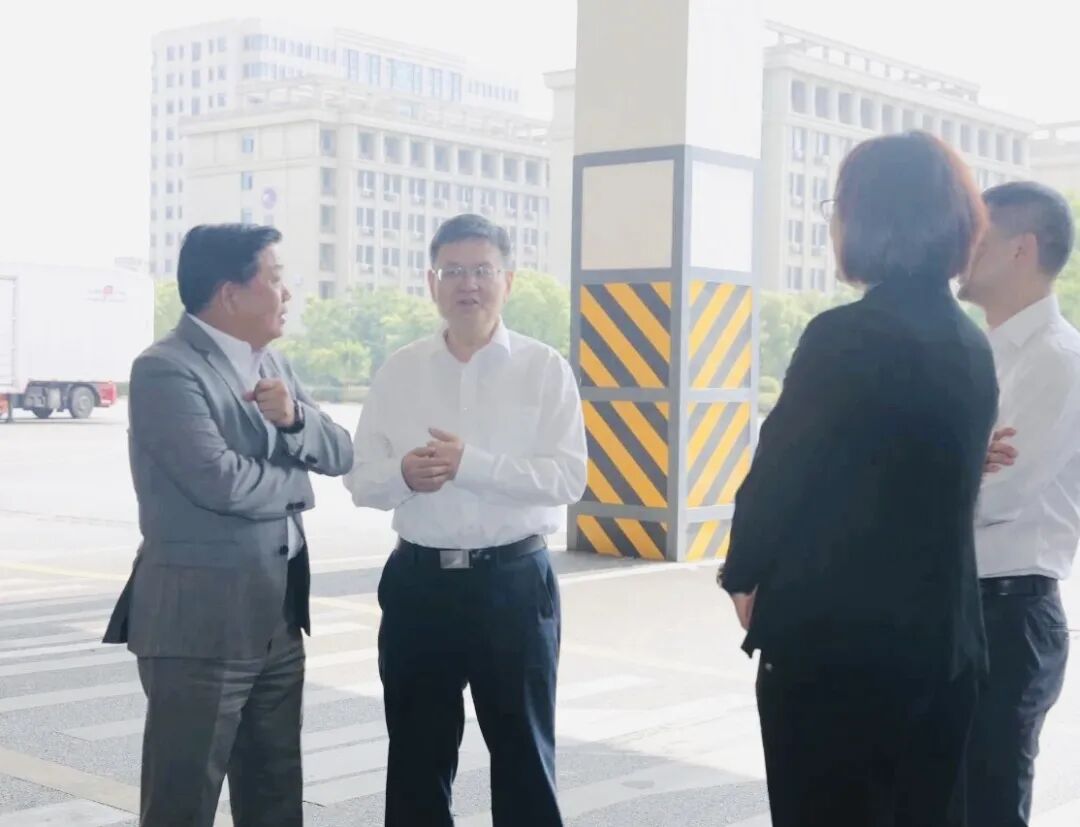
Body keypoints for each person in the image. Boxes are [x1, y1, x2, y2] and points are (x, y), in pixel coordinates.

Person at [719, 132, 998, 826]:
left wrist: (743, 573)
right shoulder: (971, 343)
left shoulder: (844, 335)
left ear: (868, 217)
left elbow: (780, 470)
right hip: (944, 645)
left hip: (839, 652)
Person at [103, 224, 354, 827]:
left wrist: (294, 421)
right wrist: (297, 485)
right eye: (275, 279)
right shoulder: (166, 369)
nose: (287, 294)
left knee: (274, 795)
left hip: (277, 618)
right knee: (183, 802)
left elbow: (342, 452)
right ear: (230, 293)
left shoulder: (275, 364)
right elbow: (218, 481)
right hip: (199, 625)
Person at [344, 213, 587, 827]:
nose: (468, 284)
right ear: (432, 282)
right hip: (419, 586)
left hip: (513, 584)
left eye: (482, 270)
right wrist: (404, 473)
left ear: (509, 280)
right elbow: (361, 481)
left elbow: (568, 478)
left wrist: (470, 465)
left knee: (524, 757)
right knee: (416, 761)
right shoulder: (400, 371)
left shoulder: (543, 368)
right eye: (453, 271)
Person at [957, 181, 1079, 827]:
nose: (960, 251)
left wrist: (932, 469)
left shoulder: (1057, 360)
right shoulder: (982, 352)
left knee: (988, 808)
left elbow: (997, 492)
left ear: (1020, 249)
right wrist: (957, 462)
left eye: (976, 237)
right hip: (965, 608)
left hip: (1008, 618)